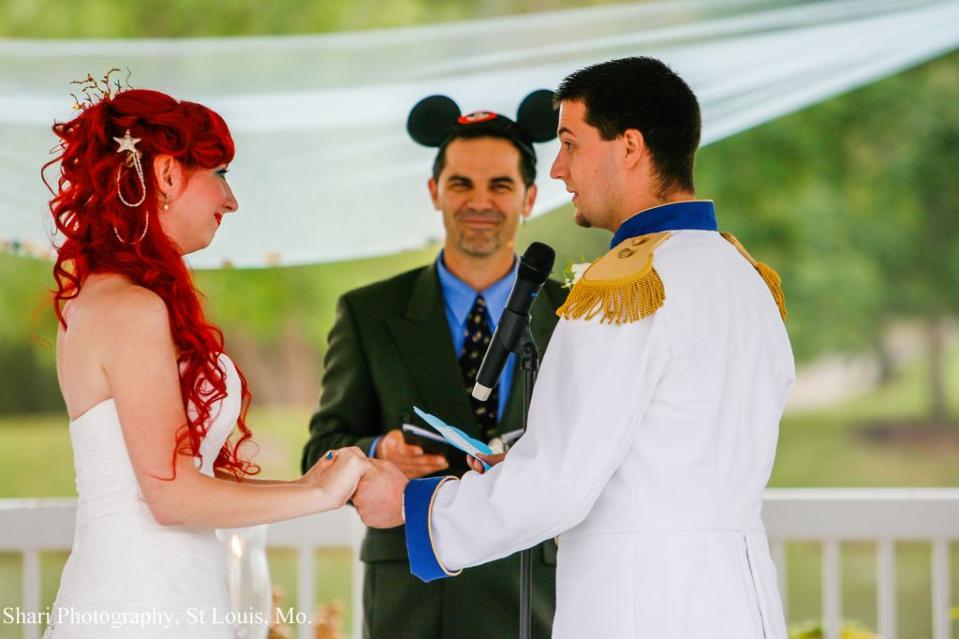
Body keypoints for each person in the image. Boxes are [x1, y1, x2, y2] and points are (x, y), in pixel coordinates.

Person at [353, 56, 795, 639]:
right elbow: (670, 448)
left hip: (641, 606)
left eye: (570, 142)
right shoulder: (745, 274)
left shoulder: (625, 285)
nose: (559, 170)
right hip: (742, 603)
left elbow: (556, 486)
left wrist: (419, 507)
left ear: (630, 146)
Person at [44, 82, 371, 638]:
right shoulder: (132, 308)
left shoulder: (96, 300)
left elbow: (161, 483)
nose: (231, 199)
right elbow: (171, 496)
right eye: (220, 173)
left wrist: (307, 483)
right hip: (146, 609)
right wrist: (316, 497)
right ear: (169, 175)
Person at [301, 92, 566, 639]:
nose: (480, 201)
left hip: (536, 592)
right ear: (433, 191)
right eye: (461, 184)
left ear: (530, 197)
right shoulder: (368, 312)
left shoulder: (574, 311)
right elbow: (319, 449)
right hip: (412, 598)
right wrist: (378, 451)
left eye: (500, 185)